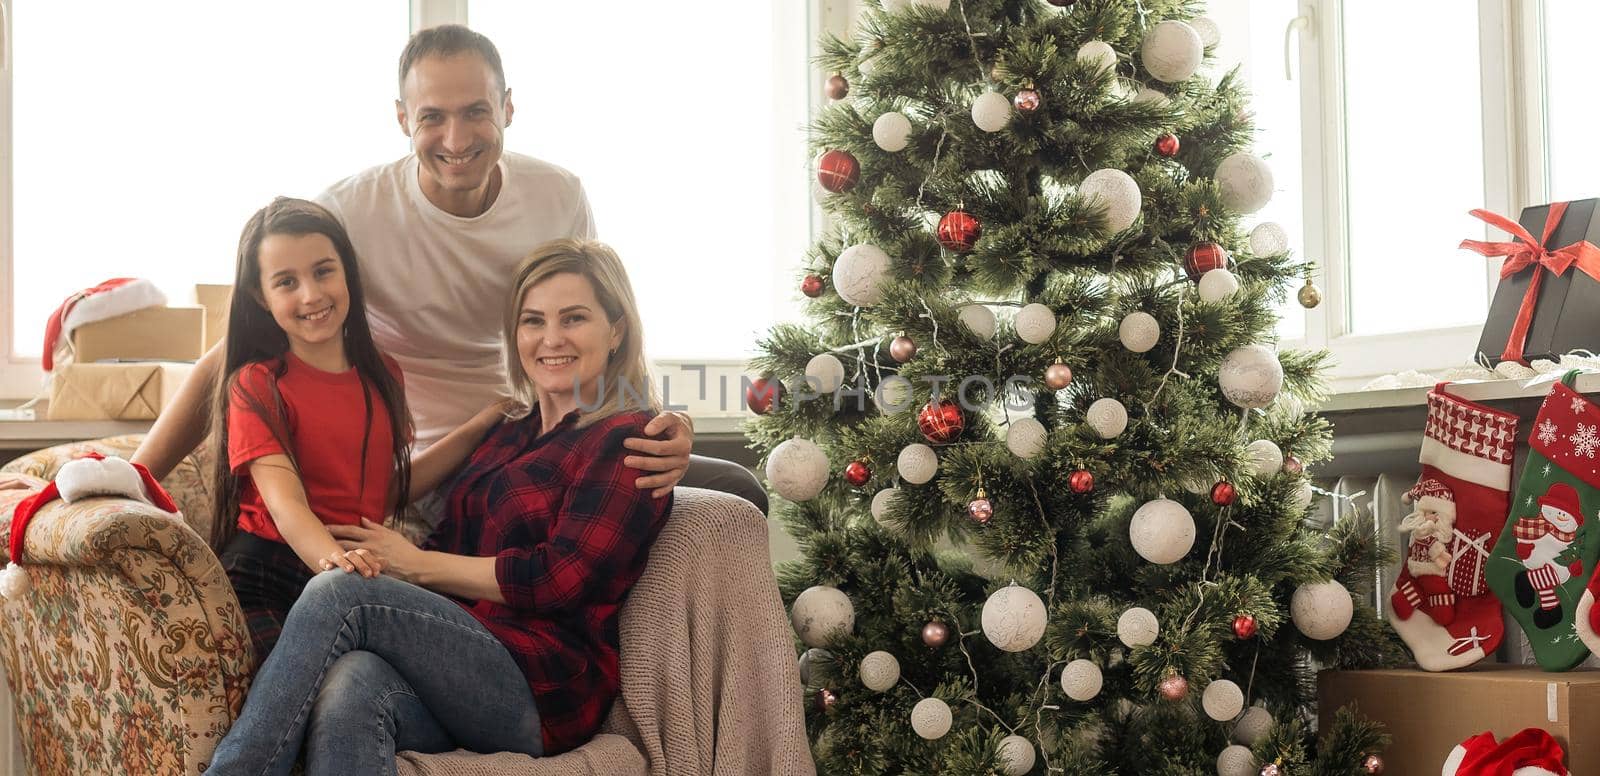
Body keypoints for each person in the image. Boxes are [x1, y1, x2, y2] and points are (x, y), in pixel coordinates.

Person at [124, 24, 766, 512]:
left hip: (541, 436)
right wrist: (134, 478)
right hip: (423, 461)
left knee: (735, 488)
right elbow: (243, 348)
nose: (456, 141)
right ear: (403, 119)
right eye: (432, 117)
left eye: (476, 112)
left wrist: (658, 424)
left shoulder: (558, 195)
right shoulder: (349, 211)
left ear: (508, 107)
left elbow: (602, 334)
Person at [205, 239, 672, 773]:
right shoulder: (509, 432)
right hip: (460, 657)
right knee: (352, 685)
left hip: (541, 683)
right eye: (533, 321)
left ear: (616, 330)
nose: (551, 339)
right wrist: (404, 565)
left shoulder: (630, 441)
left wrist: (414, 567)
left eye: (574, 319)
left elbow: (559, 578)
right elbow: (440, 532)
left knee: (339, 589)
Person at [209, 197, 517, 667]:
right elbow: (285, 505)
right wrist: (338, 567)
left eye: (323, 271)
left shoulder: (384, 376)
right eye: (287, 282)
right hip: (267, 575)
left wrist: (485, 420)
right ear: (260, 297)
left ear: (348, 273)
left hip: (353, 573)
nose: (311, 294)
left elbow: (387, 490)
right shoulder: (257, 384)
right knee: (312, 700)